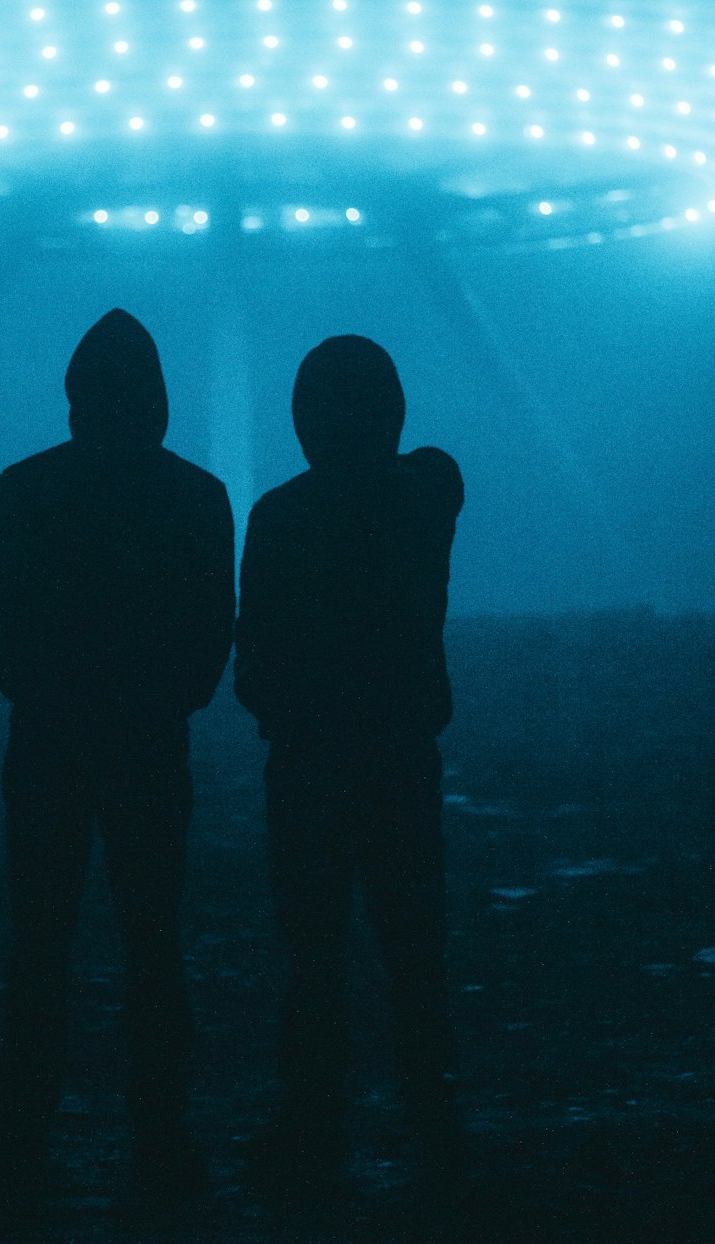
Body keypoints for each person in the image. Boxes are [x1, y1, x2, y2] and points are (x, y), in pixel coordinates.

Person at [0, 308, 235, 1201]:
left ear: (75, 396)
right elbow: (212, 631)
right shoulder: (197, 496)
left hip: (47, 739)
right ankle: (160, 1133)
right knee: (153, 938)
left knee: (39, 940)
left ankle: (24, 1128)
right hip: (150, 744)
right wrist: (164, 698)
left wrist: (43, 693)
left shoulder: (26, 488)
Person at [234, 335, 465, 1183]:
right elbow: (434, 469)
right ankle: (433, 1116)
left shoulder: (279, 517)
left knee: (312, 951)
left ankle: (313, 1118)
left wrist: (287, 716)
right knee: (413, 943)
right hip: (401, 754)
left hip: (307, 762)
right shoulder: (424, 496)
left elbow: (251, 653)